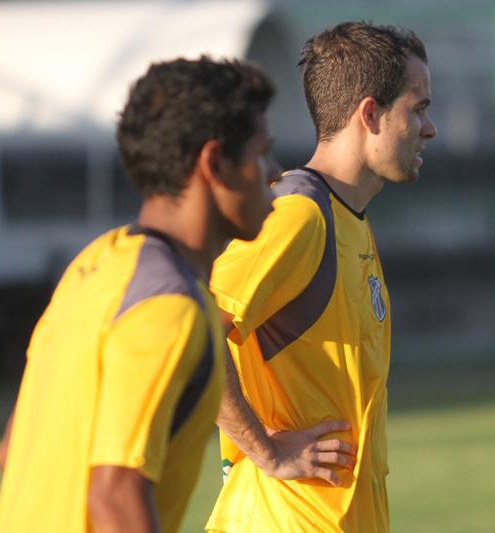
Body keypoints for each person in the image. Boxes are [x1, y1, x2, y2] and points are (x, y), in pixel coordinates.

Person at [0, 56, 280, 533]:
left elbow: (12, 450)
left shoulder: (96, 263)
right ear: (213, 163)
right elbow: (115, 493)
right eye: (261, 153)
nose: (275, 173)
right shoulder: (170, 307)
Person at [206, 22, 437, 533]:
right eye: (418, 109)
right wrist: (264, 450)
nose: (430, 128)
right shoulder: (298, 217)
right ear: (370, 114)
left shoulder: (346, 218)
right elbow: (191, 325)